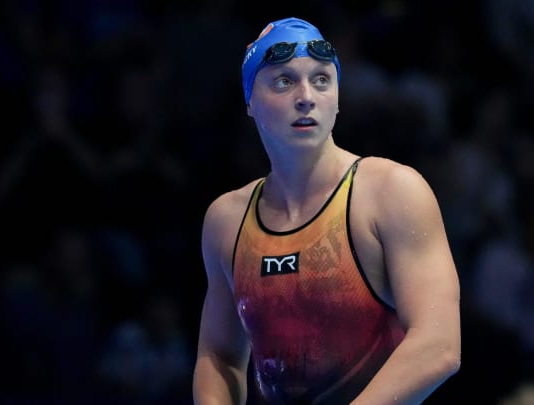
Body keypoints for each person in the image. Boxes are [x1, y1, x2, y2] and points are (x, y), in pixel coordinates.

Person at [192, 17, 461, 404]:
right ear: (250, 101)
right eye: (284, 81)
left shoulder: (389, 192)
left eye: (321, 79)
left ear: (336, 97)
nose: (306, 96)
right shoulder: (227, 220)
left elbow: (439, 345)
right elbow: (218, 356)